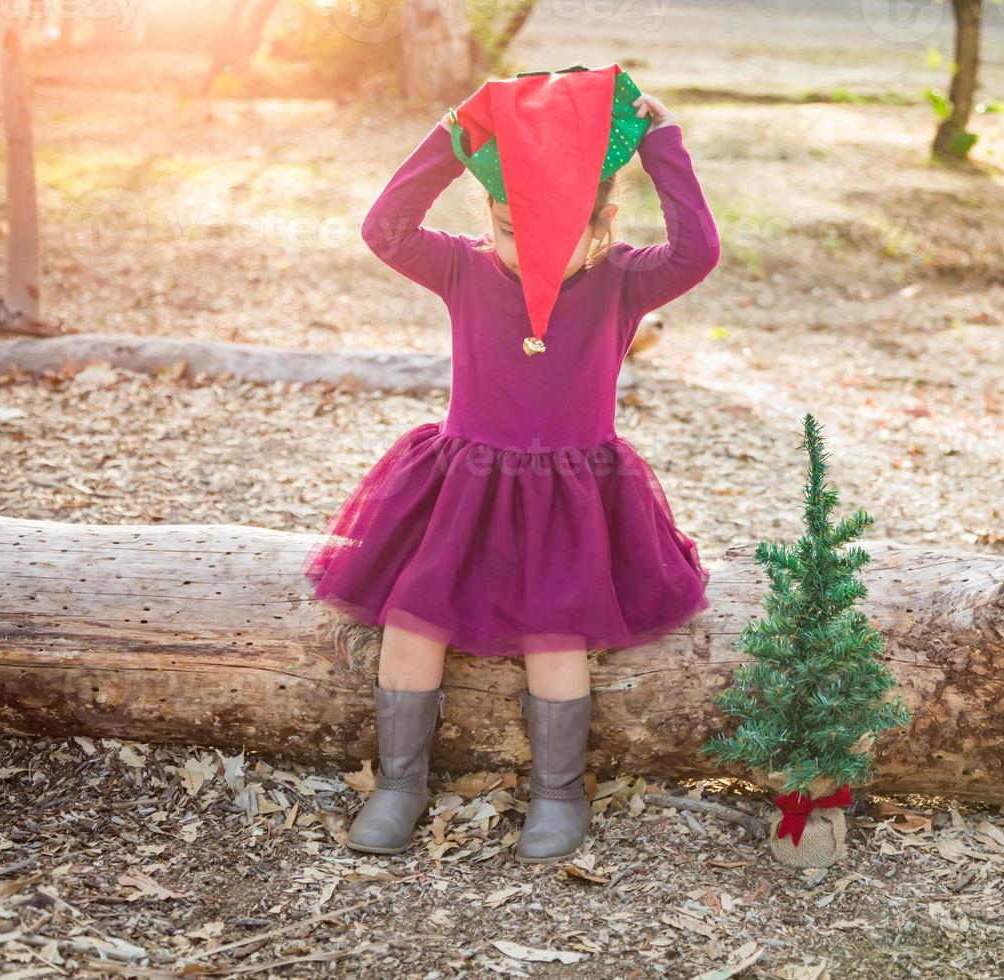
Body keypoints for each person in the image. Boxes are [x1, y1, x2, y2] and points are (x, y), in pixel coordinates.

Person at [301, 74, 720, 862]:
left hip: (571, 503)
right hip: (463, 492)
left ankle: (557, 794)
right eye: (508, 229)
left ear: (601, 220)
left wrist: (664, 143)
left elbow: (700, 250)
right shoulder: (463, 268)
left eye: (555, 234)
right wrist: (450, 137)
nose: (528, 251)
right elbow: (385, 228)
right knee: (412, 623)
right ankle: (400, 783)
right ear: (488, 217)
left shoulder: (624, 280)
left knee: (555, 639)